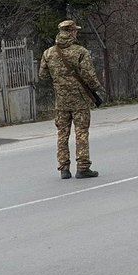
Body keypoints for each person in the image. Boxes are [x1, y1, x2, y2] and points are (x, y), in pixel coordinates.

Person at [39, 19, 103, 178]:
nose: (77, 33)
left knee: (62, 134)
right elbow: (89, 76)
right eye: (75, 31)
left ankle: (64, 169)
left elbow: (43, 75)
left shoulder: (48, 53)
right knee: (81, 132)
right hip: (80, 100)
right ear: (71, 32)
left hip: (61, 101)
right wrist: (97, 88)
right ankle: (82, 167)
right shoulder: (81, 52)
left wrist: (59, 82)